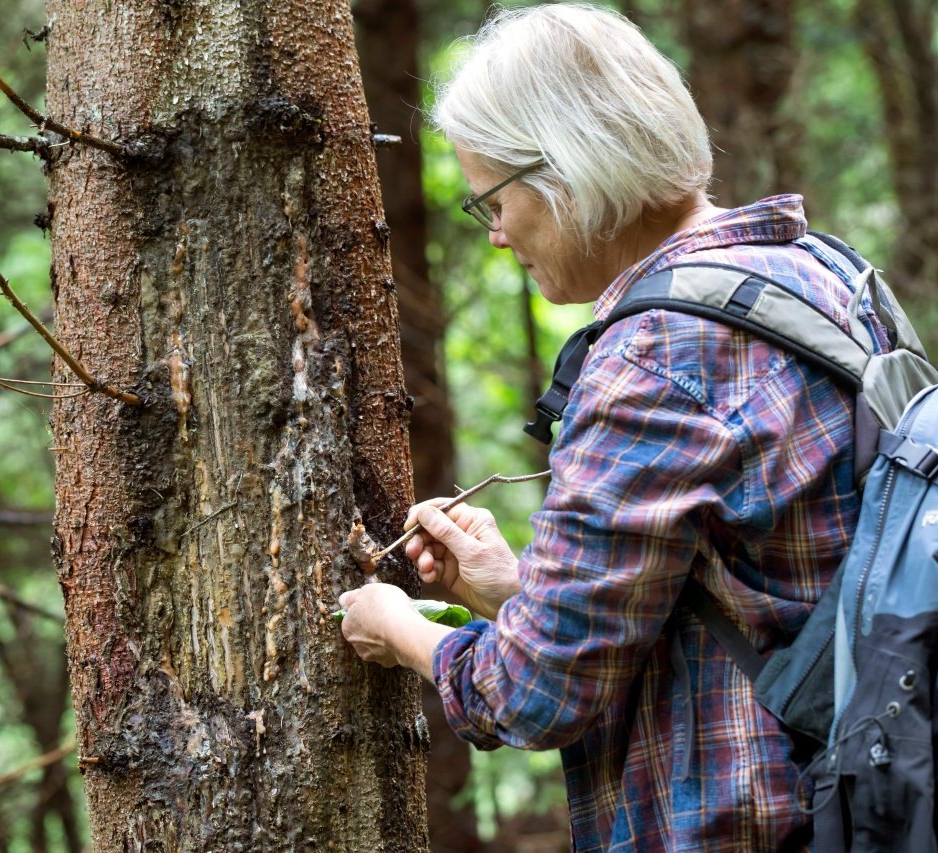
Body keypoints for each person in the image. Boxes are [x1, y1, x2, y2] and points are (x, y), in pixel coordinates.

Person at [339, 4, 891, 850]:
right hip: (877, 800)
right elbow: (759, 595)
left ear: (566, 168)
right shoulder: (820, 274)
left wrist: (400, 627)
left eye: (491, 198)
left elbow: (535, 693)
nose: (492, 235)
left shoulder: (658, 352)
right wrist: (507, 589)